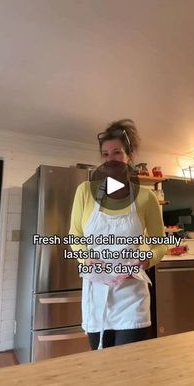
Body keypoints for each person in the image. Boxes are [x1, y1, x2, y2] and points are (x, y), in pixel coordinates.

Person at [69, 119, 166, 350]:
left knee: (129, 368)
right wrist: (86, 260)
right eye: (105, 154)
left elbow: (160, 245)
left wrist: (146, 260)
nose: (110, 158)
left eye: (117, 152)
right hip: (96, 293)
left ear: (129, 155)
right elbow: (75, 235)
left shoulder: (146, 197)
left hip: (131, 296)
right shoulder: (85, 192)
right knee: (102, 367)